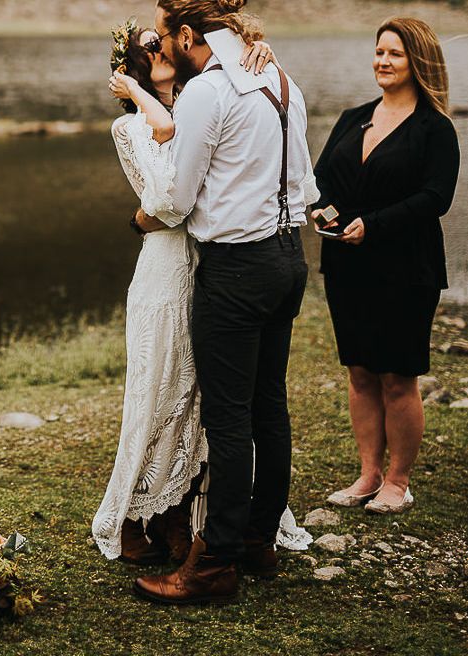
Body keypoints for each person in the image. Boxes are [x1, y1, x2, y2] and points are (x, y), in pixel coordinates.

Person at [91, 16, 314, 567]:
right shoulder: (133, 127)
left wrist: (256, 47)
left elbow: (190, 187)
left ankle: (192, 516)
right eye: (147, 44)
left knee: (207, 405)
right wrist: (142, 101)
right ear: (133, 68)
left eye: (161, 36)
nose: (159, 44)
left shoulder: (207, 95)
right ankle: (140, 514)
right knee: (161, 394)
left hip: (215, 267)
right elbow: (168, 201)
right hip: (169, 273)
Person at [312, 17, 460, 514]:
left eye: (394, 53)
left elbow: (436, 198)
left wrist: (372, 224)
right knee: (359, 372)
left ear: (417, 61)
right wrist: (323, 212)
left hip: (405, 267)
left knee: (398, 376)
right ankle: (368, 474)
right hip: (346, 264)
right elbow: (320, 177)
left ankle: (398, 480)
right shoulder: (355, 115)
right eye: (379, 51)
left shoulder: (435, 127)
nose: (383, 61)